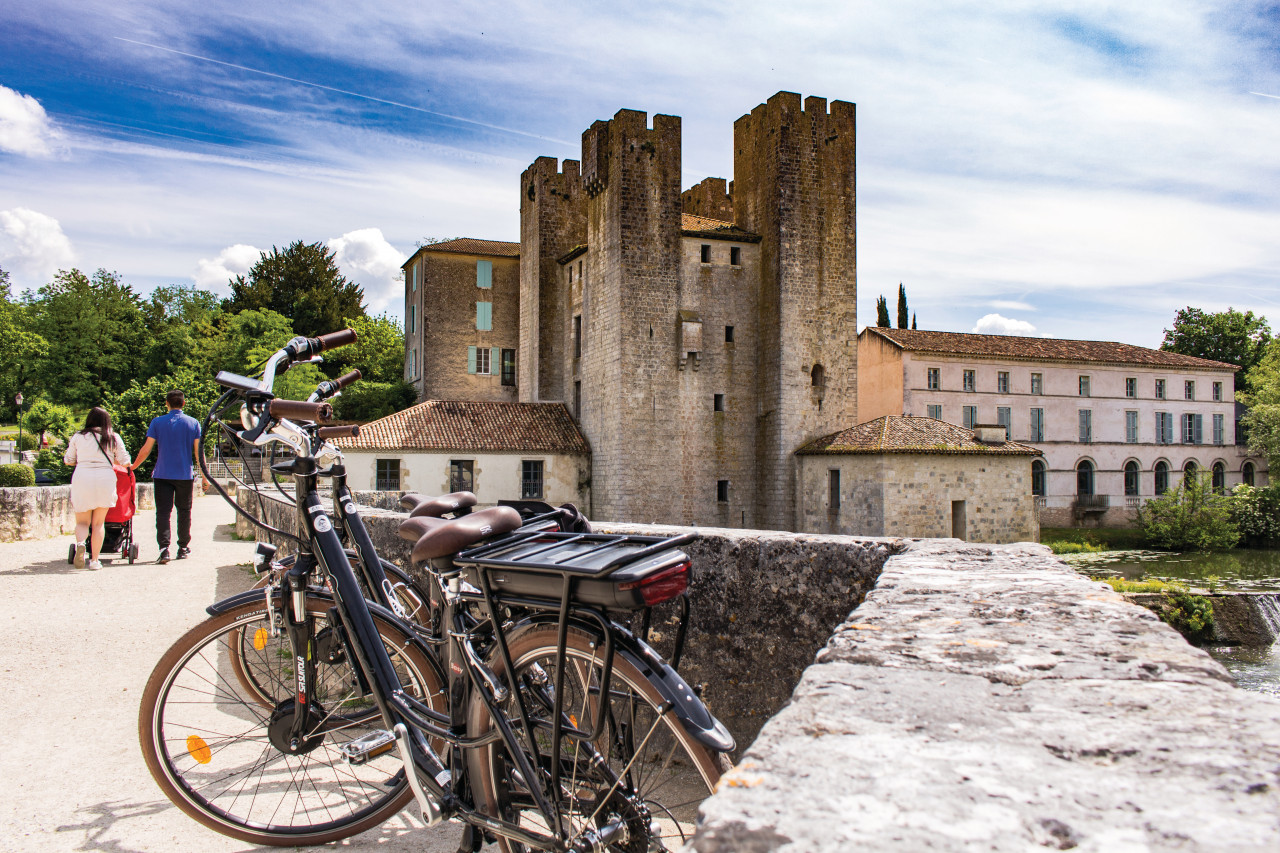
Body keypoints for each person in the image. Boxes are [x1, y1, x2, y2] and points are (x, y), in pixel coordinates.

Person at [130, 389, 202, 564]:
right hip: (184, 474)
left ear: (166, 404)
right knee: (184, 511)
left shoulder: (157, 422)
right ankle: (183, 547)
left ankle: (164, 549)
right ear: (183, 403)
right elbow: (198, 452)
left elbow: (146, 449)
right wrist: (205, 476)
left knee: (163, 512)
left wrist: (133, 467)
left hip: (162, 474)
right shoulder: (193, 423)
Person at [64, 407, 131, 570]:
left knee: (82, 522)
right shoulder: (112, 437)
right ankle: (94, 561)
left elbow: (68, 460)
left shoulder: (78, 437)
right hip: (105, 479)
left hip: (83, 477)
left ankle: (81, 543)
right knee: (98, 523)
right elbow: (125, 461)